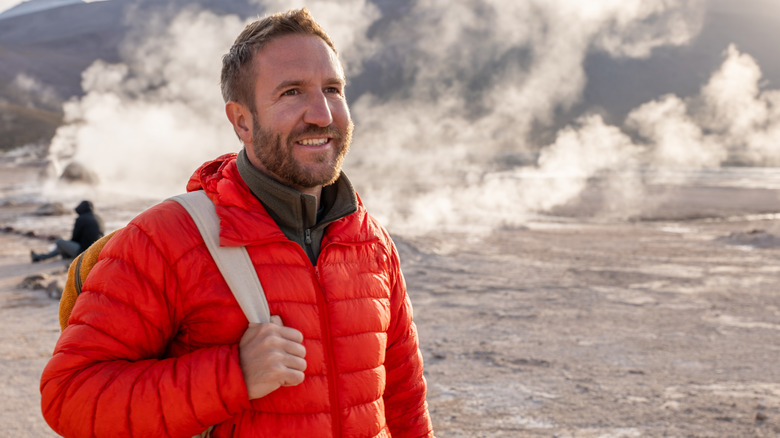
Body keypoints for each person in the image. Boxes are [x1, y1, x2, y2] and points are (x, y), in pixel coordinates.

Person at [40, 8, 434, 438]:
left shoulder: (371, 243)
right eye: (291, 93)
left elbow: (404, 404)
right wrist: (232, 375)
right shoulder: (166, 239)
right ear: (241, 120)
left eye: (332, 89)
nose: (322, 114)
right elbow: (69, 396)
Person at [31, 200, 104, 262]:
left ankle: (40, 257)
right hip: (97, 252)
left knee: (59, 241)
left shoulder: (81, 219)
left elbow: (75, 238)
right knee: (62, 246)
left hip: (84, 253)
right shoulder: (99, 218)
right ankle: (40, 257)